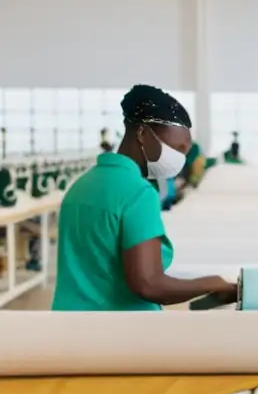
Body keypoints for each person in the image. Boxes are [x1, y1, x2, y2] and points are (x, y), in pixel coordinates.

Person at [52, 85, 238, 311]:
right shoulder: (138, 193)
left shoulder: (81, 185)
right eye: (176, 148)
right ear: (142, 133)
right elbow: (148, 284)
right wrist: (211, 284)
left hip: (69, 328)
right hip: (120, 333)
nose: (180, 159)